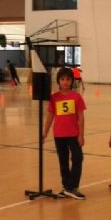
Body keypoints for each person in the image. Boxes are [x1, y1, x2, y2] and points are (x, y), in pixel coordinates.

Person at [42, 67, 87, 200]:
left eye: (68, 79)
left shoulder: (77, 96)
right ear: (58, 81)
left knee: (78, 158)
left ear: (72, 81)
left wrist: (81, 135)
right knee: (63, 162)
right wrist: (44, 133)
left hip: (73, 134)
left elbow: (81, 117)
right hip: (59, 135)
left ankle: (73, 187)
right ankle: (67, 187)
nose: (65, 82)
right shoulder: (54, 97)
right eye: (62, 79)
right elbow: (50, 117)